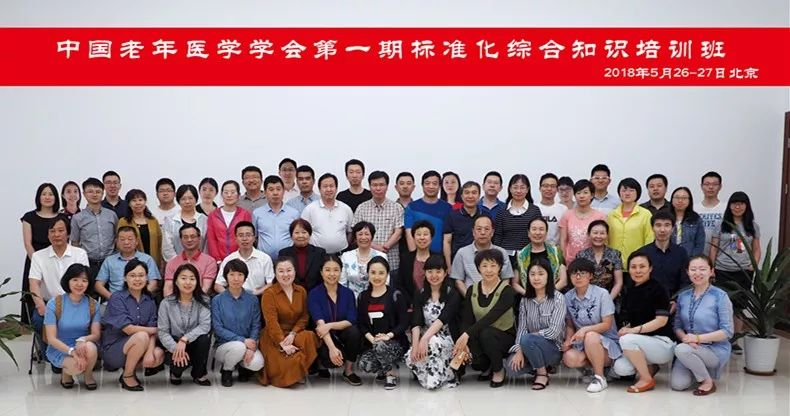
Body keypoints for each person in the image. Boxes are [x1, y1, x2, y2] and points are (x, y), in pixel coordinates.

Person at [611, 252, 677, 393]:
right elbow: (635, 319)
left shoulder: (658, 288)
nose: (638, 271)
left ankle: (646, 379)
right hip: (642, 342)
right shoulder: (630, 290)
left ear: (650, 268)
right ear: (629, 270)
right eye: (633, 267)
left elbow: (661, 321)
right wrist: (626, 329)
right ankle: (651, 367)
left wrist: (632, 331)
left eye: (642, 266)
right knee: (621, 368)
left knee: (627, 339)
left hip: (662, 342)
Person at [671, 255, 734, 395]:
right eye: (693, 269)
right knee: (678, 385)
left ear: (711, 271)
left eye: (702, 269)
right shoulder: (683, 296)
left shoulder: (720, 296)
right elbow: (677, 326)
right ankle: (698, 368)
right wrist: (686, 339)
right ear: (687, 272)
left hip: (714, 349)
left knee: (681, 350)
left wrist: (698, 339)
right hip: (689, 346)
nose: (697, 273)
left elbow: (727, 331)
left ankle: (707, 381)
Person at [452, 249, 515, 388]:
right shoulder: (472, 290)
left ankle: (498, 370)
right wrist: (464, 341)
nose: (489, 270)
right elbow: (467, 319)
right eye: (484, 266)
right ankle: (487, 366)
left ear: (500, 268)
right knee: (475, 357)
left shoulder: (507, 291)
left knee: (486, 333)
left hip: (504, 336)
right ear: (478, 268)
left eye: (493, 265)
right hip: (480, 333)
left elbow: (491, 317)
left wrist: (466, 335)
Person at [100, 260, 165, 391]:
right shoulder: (117, 298)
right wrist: (155, 329)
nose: (137, 279)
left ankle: (130, 369)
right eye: (132, 275)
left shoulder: (149, 300)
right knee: (141, 336)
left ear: (146, 278)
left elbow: (152, 331)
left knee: (158, 354)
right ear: (125, 278)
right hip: (114, 348)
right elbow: (129, 329)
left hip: (139, 344)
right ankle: (128, 375)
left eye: (141, 275)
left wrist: (150, 352)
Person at [709, 191, 760, 354]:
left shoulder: (752, 226)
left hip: (743, 272)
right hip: (722, 271)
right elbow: (713, 248)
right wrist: (711, 268)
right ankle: (718, 339)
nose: (737, 207)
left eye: (741, 203)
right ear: (729, 206)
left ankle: (735, 341)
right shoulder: (721, 224)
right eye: (734, 203)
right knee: (720, 306)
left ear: (747, 206)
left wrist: (753, 265)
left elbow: (756, 249)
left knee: (739, 307)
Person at [562, 258, 621, 393]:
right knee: (569, 358)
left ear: (591, 276)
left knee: (591, 336)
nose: (578, 277)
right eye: (574, 273)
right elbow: (570, 324)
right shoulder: (568, 297)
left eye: (582, 273)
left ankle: (600, 378)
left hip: (605, 343)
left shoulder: (602, 294)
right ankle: (594, 369)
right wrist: (568, 340)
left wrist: (585, 330)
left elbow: (607, 324)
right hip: (582, 343)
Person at [505, 260, 566, 390]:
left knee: (528, 339)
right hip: (529, 345)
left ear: (548, 276)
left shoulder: (558, 298)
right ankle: (540, 365)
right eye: (532, 274)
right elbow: (522, 328)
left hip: (553, 349)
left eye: (541, 274)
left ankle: (542, 374)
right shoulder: (525, 300)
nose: (536, 278)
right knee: (511, 368)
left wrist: (529, 338)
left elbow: (554, 332)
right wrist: (519, 349)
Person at [259, 257, 319, 387]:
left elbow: (304, 316)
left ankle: (298, 370)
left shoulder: (301, 291)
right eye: (281, 271)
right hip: (274, 335)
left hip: (293, 333)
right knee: (286, 364)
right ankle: (294, 371)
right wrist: (282, 343)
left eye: (289, 270)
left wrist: (293, 333)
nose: (285, 274)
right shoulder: (269, 293)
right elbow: (271, 322)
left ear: (294, 271)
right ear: (275, 274)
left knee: (309, 337)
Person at [28, 216, 89, 342]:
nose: (56, 234)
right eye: (52, 231)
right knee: (39, 321)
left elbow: (83, 282)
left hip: (75, 303)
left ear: (68, 234)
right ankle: (48, 352)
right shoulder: (38, 256)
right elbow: (34, 283)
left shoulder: (80, 254)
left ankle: (74, 348)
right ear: (48, 235)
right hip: (48, 303)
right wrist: (41, 306)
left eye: (61, 231)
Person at [405, 254, 461, 390]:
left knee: (433, 341)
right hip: (425, 339)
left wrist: (425, 338)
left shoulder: (452, 293)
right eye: (430, 271)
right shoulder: (420, 293)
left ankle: (434, 381)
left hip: (447, 339)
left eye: (438, 271)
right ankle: (445, 375)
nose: (434, 275)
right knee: (410, 357)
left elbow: (443, 318)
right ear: (425, 273)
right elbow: (416, 321)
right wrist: (416, 344)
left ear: (445, 273)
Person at [307, 255, 363, 385]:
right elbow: (320, 325)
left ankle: (348, 371)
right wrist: (332, 349)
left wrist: (330, 325)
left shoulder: (348, 293)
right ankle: (321, 364)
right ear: (321, 272)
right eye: (327, 270)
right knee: (329, 359)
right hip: (323, 337)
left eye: (336, 270)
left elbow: (351, 320)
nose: (332, 274)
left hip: (341, 334)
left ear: (341, 271)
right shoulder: (314, 293)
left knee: (355, 332)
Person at [43, 264, 101, 390]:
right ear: (68, 281)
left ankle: (88, 376)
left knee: (91, 347)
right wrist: (71, 352)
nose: (79, 284)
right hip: (59, 348)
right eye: (75, 280)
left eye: (84, 280)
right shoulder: (54, 303)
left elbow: (96, 334)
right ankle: (66, 373)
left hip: (81, 346)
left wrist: (83, 339)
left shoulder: (93, 304)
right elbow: (51, 338)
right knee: (76, 367)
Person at [356, 257, 409, 389]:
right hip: (374, 342)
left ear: (387, 274)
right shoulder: (363, 297)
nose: (377, 276)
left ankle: (391, 373)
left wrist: (388, 336)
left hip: (395, 342)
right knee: (365, 365)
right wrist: (371, 339)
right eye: (373, 272)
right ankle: (383, 367)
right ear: (368, 274)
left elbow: (404, 323)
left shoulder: (396, 295)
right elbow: (361, 324)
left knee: (381, 346)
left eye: (381, 273)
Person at [211, 259, 265, 388]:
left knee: (258, 363)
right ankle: (227, 370)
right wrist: (243, 341)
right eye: (232, 274)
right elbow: (218, 328)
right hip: (223, 346)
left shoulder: (252, 299)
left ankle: (242, 367)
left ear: (245, 277)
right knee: (238, 347)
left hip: (248, 344)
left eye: (240, 274)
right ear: (226, 277)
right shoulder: (217, 300)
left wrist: (251, 347)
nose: (236, 279)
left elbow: (256, 325)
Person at [157, 264, 212, 386]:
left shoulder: (204, 300)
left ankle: (198, 373)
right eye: (183, 278)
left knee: (204, 338)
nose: (188, 282)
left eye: (192, 278)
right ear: (176, 281)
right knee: (178, 365)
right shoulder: (166, 303)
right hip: (174, 342)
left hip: (193, 341)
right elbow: (163, 331)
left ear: (197, 282)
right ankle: (175, 373)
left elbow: (205, 326)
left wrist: (185, 339)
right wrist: (176, 348)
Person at [21, 183, 59, 324]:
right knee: (34, 293)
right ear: (38, 197)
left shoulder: (61, 217)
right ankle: (34, 326)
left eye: (50, 194)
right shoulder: (29, 217)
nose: (47, 197)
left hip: (55, 260)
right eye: (44, 194)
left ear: (56, 197)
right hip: (34, 259)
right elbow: (28, 244)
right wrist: (38, 264)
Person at [449, 215, 513, 296]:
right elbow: (458, 280)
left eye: (487, 229)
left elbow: (506, 279)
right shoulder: (462, 253)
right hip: (470, 297)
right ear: (473, 232)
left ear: (492, 232)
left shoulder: (502, 252)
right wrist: (470, 298)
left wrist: (497, 298)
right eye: (479, 229)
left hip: (496, 298)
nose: (483, 232)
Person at [354, 170, 404, 271]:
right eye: (374, 185)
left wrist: (385, 247)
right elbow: (356, 233)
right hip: (366, 262)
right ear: (369, 186)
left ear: (387, 186)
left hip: (391, 260)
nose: (378, 188)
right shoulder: (361, 208)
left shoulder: (397, 207)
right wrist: (377, 248)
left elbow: (398, 232)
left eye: (381, 185)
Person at [95, 226, 161, 300]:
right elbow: (98, 285)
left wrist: (140, 298)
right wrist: (113, 298)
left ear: (137, 241)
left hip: (141, 300)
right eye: (122, 239)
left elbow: (153, 284)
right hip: (116, 300)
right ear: (117, 242)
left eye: (130, 239)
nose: (126, 242)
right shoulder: (109, 260)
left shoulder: (147, 259)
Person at [71, 177, 118, 279]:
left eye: (98, 191)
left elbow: (116, 237)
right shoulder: (77, 218)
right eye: (90, 191)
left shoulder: (112, 215)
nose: (94, 194)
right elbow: (75, 243)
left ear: (103, 193)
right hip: (88, 263)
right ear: (84, 194)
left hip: (110, 262)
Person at [493, 174, 542, 267]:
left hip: (529, 256)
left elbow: (539, 234)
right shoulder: (502, 211)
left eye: (522, 187)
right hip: (505, 257)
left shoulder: (534, 210)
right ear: (510, 189)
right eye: (515, 187)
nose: (518, 191)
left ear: (527, 189)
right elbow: (497, 236)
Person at [637, 211, 690, 297]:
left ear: (673, 228)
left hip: (675, 300)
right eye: (658, 225)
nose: (662, 230)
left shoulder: (681, 253)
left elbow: (685, 281)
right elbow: (638, 281)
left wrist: (676, 300)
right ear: (652, 228)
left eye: (667, 225)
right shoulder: (642, 254)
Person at [214, 221, 274, 295]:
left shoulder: (265, 258)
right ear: (235, 238)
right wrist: (231, 296)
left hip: (258, 296)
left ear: (254, 238)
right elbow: (218, 285)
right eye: (241, 235)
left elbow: (271, 283)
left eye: (248, 235)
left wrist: (255, 294)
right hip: (234, 297)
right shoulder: (229, 259)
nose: (244, 238)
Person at [300, 173, 355, 255]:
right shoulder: (309, 209)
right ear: (319, 189)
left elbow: (350, 232)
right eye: (325, 186)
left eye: (331, 186)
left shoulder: (346, 209)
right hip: (316, 255)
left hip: (341, 254)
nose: (328, 189)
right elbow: (302, 232)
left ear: (336, 188)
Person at [607, 177, 654, 267]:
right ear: (619, 193)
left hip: (637, 265)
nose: (627, 193)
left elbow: (649, 240)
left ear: (638, 193)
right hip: (613, 263)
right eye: (624, 190)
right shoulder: (611, 215)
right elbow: (606, 240)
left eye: (631, 190)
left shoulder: (645, 214)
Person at [514, 217, 568, 294]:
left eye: (541, 229)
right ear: (528, 233)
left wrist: (547, 295)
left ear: (546, 233)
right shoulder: (520, 255)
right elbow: (515, 283)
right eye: (534, 229)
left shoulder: (556, 252)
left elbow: (563, 281)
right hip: (528, 296)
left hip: (553, 295)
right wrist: (528, 294)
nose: (537, 232)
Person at [559, 180, 607, 264]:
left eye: (585, 192)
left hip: (593, 262)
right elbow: (563, 240)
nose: (581, 196)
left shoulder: (600, 216)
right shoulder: (567, 215)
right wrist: (563, 261)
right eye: (578, 193)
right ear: (575, 195)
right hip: (571, 261)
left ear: (592, 195)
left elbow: (604, 241)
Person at [404, 170, 453, 254]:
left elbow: (448, 238)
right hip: (418, 256)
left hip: (440, 257)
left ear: (440, 186)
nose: (431, 186)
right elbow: (409, 234)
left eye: (434, 183)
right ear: (422, 185)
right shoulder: (412, 207)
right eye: (427, 183)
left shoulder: (448, 208)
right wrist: (414, 257)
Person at [252, 175, 300, 260]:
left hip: (288, 260)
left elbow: (297, 236)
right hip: (263, 260)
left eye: (278, 189)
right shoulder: (257, 213)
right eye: (271, 190)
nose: (275, 193)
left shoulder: (294, 213)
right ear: (265, 193)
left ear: (283, 191)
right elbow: (254, 237)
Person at [163, 224, 217, 297]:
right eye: (185, 237)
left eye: (193, 236)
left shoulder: (209, 261)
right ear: (181, 240)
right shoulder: (172, 262)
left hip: (200, 300)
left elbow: (205, 288)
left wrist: (190, 301)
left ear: (199, 238)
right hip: (176, 300)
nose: (189, 240)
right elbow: (168, 288)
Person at [575, 220, 624, 300]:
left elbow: (618, 283)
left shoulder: (615, 254)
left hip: (610, 298)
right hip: (586, 299)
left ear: (607, 235)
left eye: (602, 233)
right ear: (588, 234)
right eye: (595, 233)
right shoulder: (581, 255)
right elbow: (578, 281)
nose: (598, 236)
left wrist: (607, 301)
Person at [206, 180, 253, 262]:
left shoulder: (245, 214)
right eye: (226, 192)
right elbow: (211, 240)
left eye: (233, 192)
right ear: (221, 195)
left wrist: (241, 258)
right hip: (219, 261)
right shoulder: (213, 215)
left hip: (241, 260)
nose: (229, 195)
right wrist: (218, 260)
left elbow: (247, 238)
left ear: (238, 195)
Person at [340, 221, 388, 299]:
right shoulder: (346, 256)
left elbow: (386, 282)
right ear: (355, 237)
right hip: (351, 299)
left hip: (375, 299)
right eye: (360, 234)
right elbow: (342, 283)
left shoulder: (382, 256)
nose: (363, 237)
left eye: (367, 234)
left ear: (372, 237)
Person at [117, 189, 163, 269]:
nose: (138, 203)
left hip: (153, 261)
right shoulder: (123, 221)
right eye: (134, 200)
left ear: (145, 202)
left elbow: (160, 242)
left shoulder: (153, 220)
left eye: (140, 200)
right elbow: (120, 243)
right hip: (132, 264)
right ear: (129, 204)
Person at [162, 184, 207, 262]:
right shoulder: (170, 220)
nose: (187, 202)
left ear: (196, 199)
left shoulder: (204, 219)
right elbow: (167, 247)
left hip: (201, 263)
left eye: (190, 198)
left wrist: (202, 262)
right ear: (178, 201)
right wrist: (177, 263)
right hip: (177, 264)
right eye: (183, 199)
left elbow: (207, 245)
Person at [279, 219, 327, 290]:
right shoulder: (284, 253)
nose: (300, 235)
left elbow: (323, 277)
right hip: (292, 292)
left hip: (315, 292)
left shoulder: (320, 253)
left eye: (304, 232)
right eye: (297, 233)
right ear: (291, 235)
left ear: (309, 234)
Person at [442, 181, 481, 269]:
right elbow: (447, 242)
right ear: (462, 196)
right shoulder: (452, 216)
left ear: (479, 196)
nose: (470, 196)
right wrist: (449, 267)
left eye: (474, 193)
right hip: (458, 263)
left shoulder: (485, 215)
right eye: (467, 193)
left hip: (481, 263)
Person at [398, 220, 437, 302]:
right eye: (418, 234)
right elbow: (400, 285)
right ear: (413, 237)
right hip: (411, 304)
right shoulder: (405, 259)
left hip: (434, 303)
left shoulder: (438, 258)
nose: (422, 237)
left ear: (431, 237)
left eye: (425, 234)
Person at [669, 186, 706, 256]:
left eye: (684, 198)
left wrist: (692, 258)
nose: (680, 200)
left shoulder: (696, 219)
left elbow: (700, 244)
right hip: (668, 258)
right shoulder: (665, 217)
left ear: (689, 200)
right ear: (672, 199)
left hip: (689, 258)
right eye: (677, 197)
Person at [535, 173, 568, 245]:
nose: (549, 189)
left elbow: (565, 233)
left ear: (557, 189)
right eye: (546, 186)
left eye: (552, 186)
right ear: (540, 188)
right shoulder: (534, 208)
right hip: (537, 248)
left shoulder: (563, 209)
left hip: (557, 249)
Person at [696, 171, 724, 256]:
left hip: (721, 258)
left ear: (720, 186)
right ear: (701, 186)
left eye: (715, 184)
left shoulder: (726, 209)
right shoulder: (694, 209)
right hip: (697, 256)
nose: (711, 187)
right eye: (707, 184)